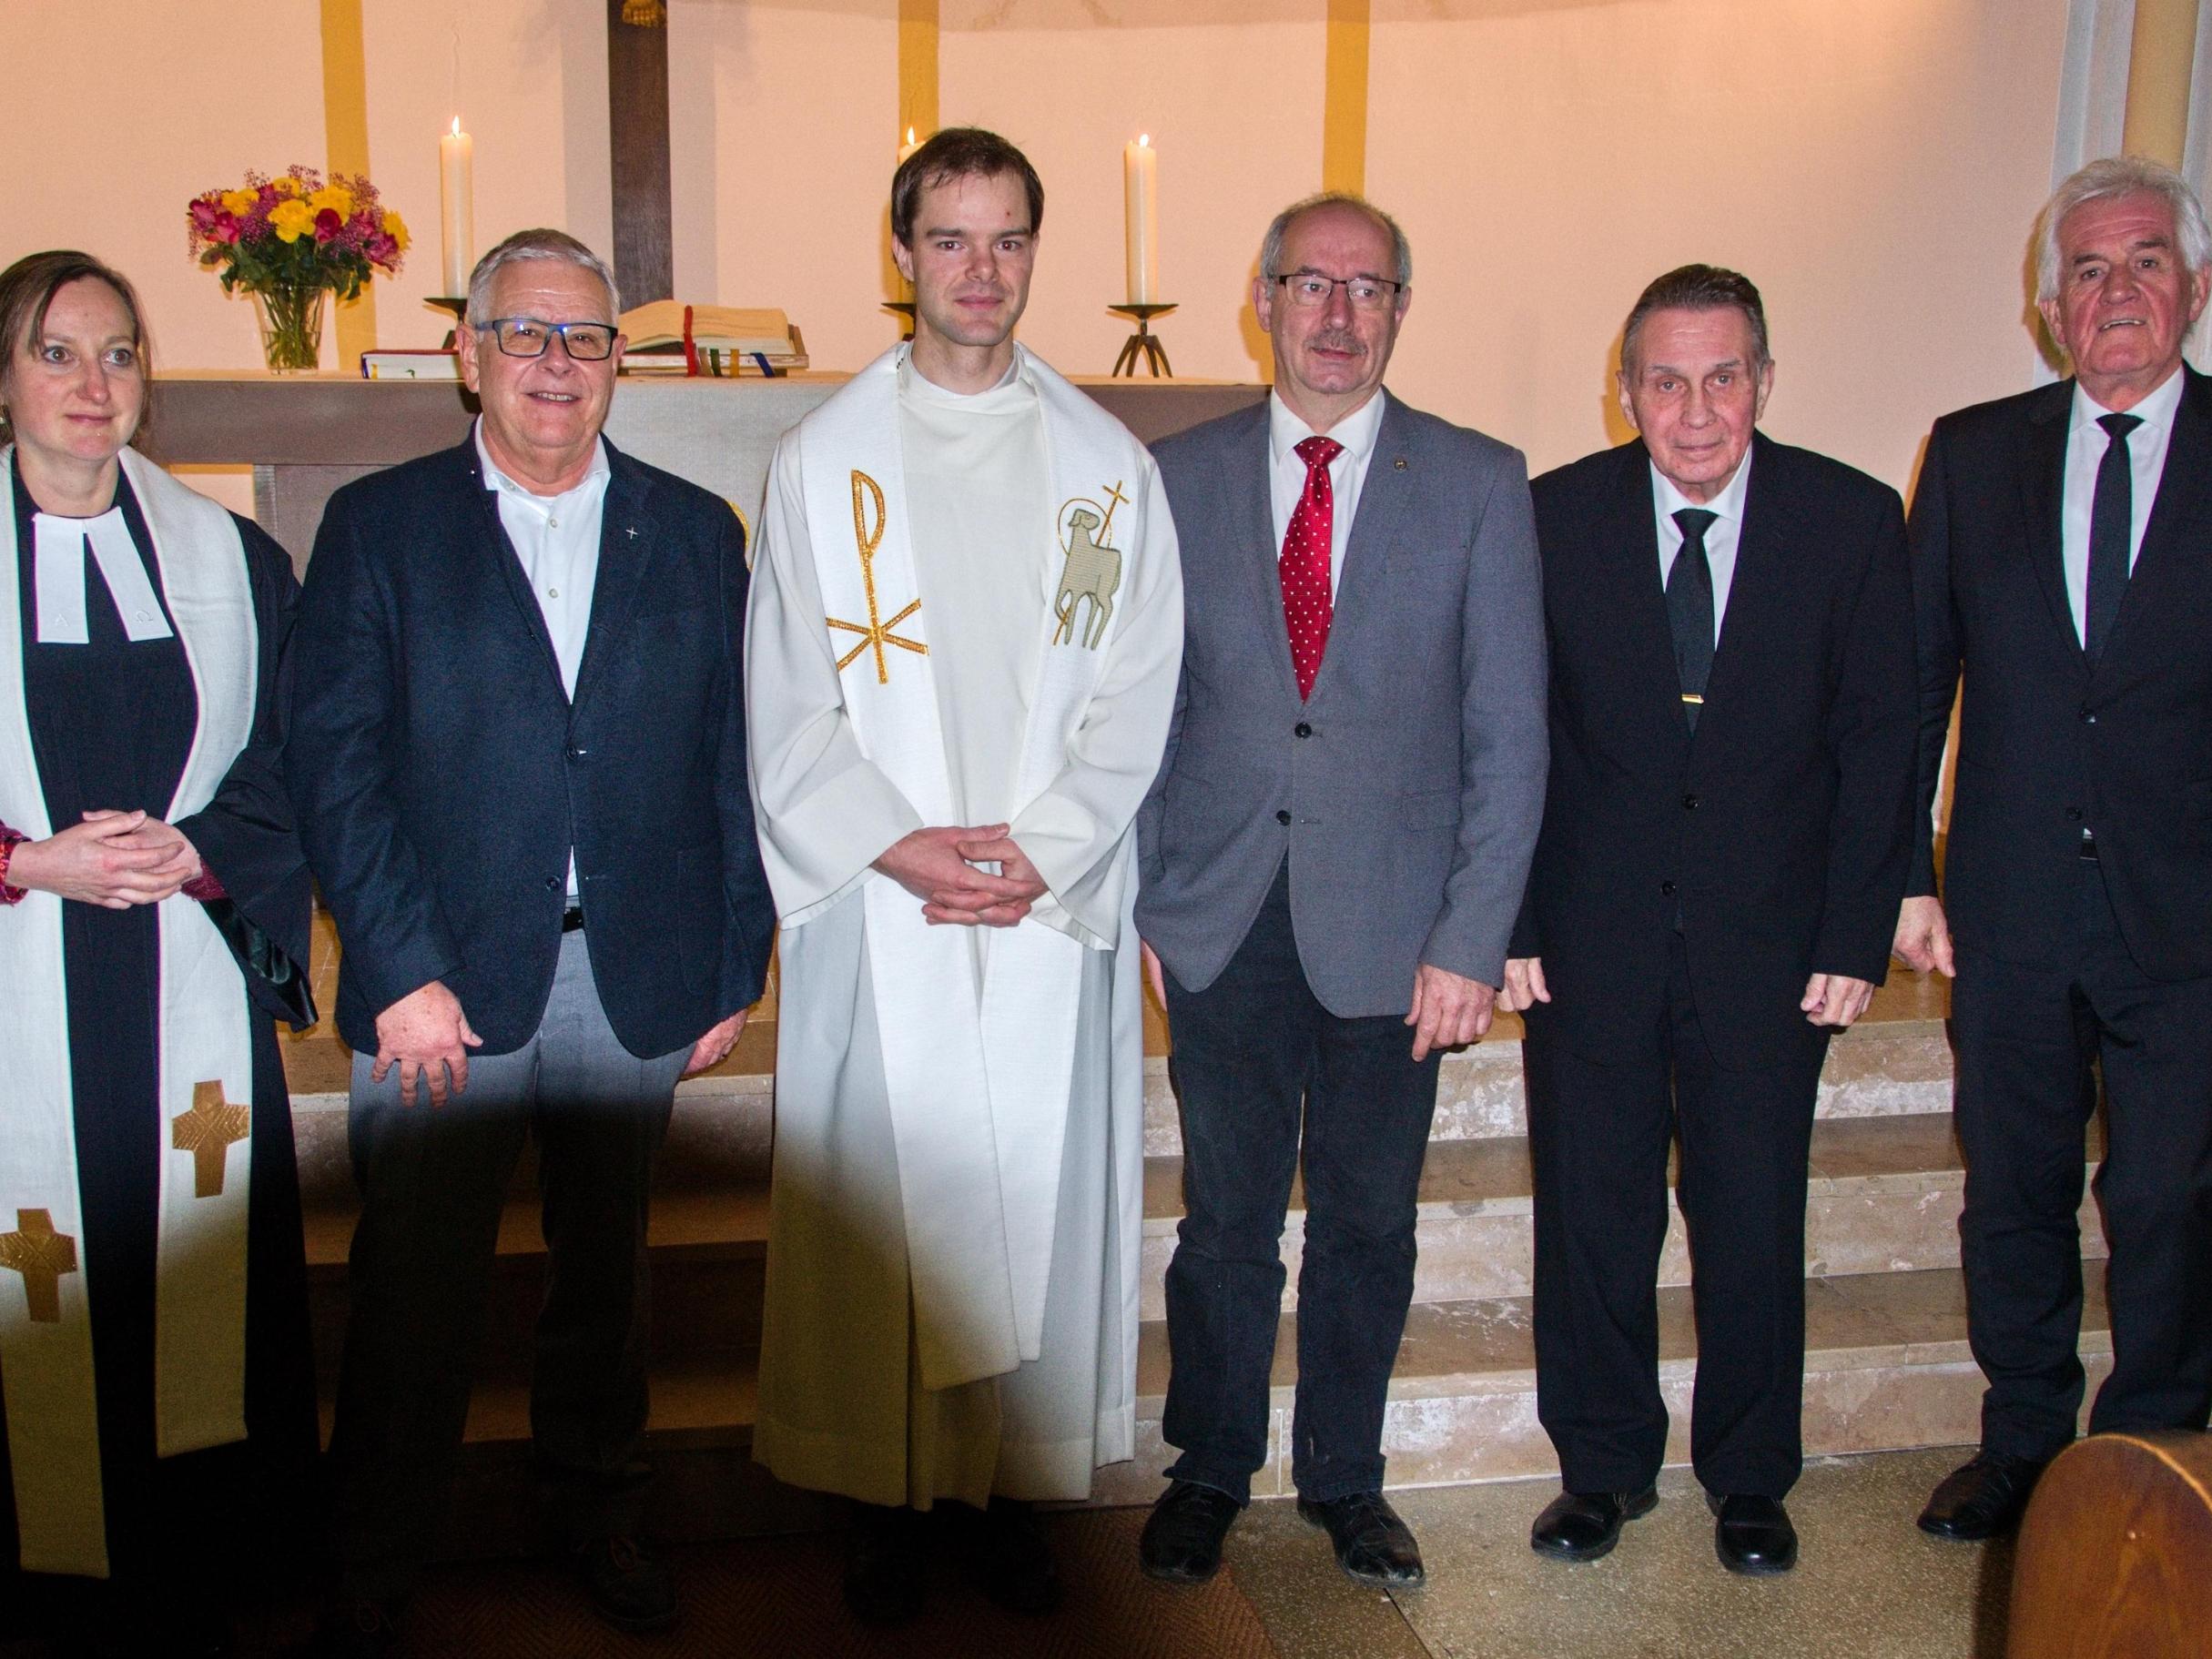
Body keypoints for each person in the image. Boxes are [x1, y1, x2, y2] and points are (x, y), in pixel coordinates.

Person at [289, 228, 775, 1653]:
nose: (556, 365)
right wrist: (396, 975)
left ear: (619, 361)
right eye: (525, 334)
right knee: (413, 1295)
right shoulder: (381, 527)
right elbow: (337, 765)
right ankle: (374, 1568)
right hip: (439, 984)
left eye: (584, 339)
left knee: (609, 1285)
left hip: (632, 978)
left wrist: (729, 962)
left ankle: (598, 1512)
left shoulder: (694, 532)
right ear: (467, 355)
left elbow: (735, 761)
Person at [746, 126, 1182, 1624]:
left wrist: (1043, 854)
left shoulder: (1105, 471)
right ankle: (880, 1502)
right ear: (900, 253)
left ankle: (1006, 1493)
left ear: (1032, 257)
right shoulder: (823, 463)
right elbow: (788, 700)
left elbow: (1141, 690)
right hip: (891, 900)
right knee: (898, 1206)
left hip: (1040, 908)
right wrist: (901, 841)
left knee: (1031, 1204)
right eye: (950, 240)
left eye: (1006, 242)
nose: (979, 271)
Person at [1133, 193, 1547, 1589]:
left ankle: (1345, 1480)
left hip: (1398, 933)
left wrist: (1473, 939)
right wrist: (1143, 897)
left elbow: (1510, 735)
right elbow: (1134, 712)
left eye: (1368, 290)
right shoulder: (1170, 476)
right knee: (1225, 1223)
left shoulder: (1480, 482)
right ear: (1261, 298)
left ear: (1398, 311)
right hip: (1221, 913)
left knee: (1369, 1224)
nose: (1336, 315)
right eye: (1310, 285)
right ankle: (1207, 1466)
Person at [1503, 265, 1916, 1576]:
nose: (1694, 411)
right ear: (1624, 388)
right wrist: (1506, 920)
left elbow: (1882, 739)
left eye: (1722, 377)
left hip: (1766, 948)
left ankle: (1749, 1477)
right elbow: (1509, 739)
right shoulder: (1550, 519)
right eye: (1666, 381)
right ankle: (1602, 1470)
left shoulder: (1847, 521)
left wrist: (1855, 934)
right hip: (1586, 937)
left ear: (1765, 381)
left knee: (1750, 1217)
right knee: (1592, 1217)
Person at [0, 250, 318, 1654]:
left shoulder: (230, 561)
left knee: (193, 1259)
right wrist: (23, 862)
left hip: (184, 983)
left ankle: (211, 1572)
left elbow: (301, 757)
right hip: (21, 985)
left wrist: (203, 852)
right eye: (58, 353)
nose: (92, 383)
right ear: (5, 376)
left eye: (119, 353)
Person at [1898, 156, 2212, 1543]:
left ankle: (2152, 1448)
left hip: (2189, 912)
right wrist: (1902, 871)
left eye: (2145, 260)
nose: (2117, 290)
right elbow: (1912, 686)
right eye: (2087, 270)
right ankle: (2023, 1439)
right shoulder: (1971, 455)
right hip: (2011, 900)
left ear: (2194, 290)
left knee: (2166, 1196)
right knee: (2009, 1186)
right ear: (2046, 310)